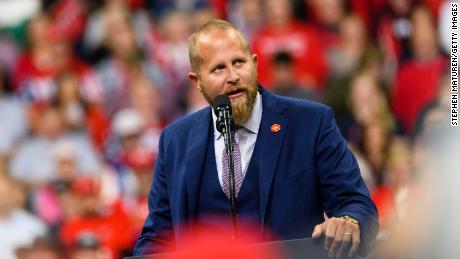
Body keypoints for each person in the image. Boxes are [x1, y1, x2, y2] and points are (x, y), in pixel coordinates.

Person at [134, 19, 378, 258]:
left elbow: (357, 204)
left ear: (255, 64)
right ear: (196, 81)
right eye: (218, 68)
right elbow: (156, 238)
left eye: (239, 62)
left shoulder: (310, 122)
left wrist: (349, 222)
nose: (233, 76)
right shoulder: (175, 140)